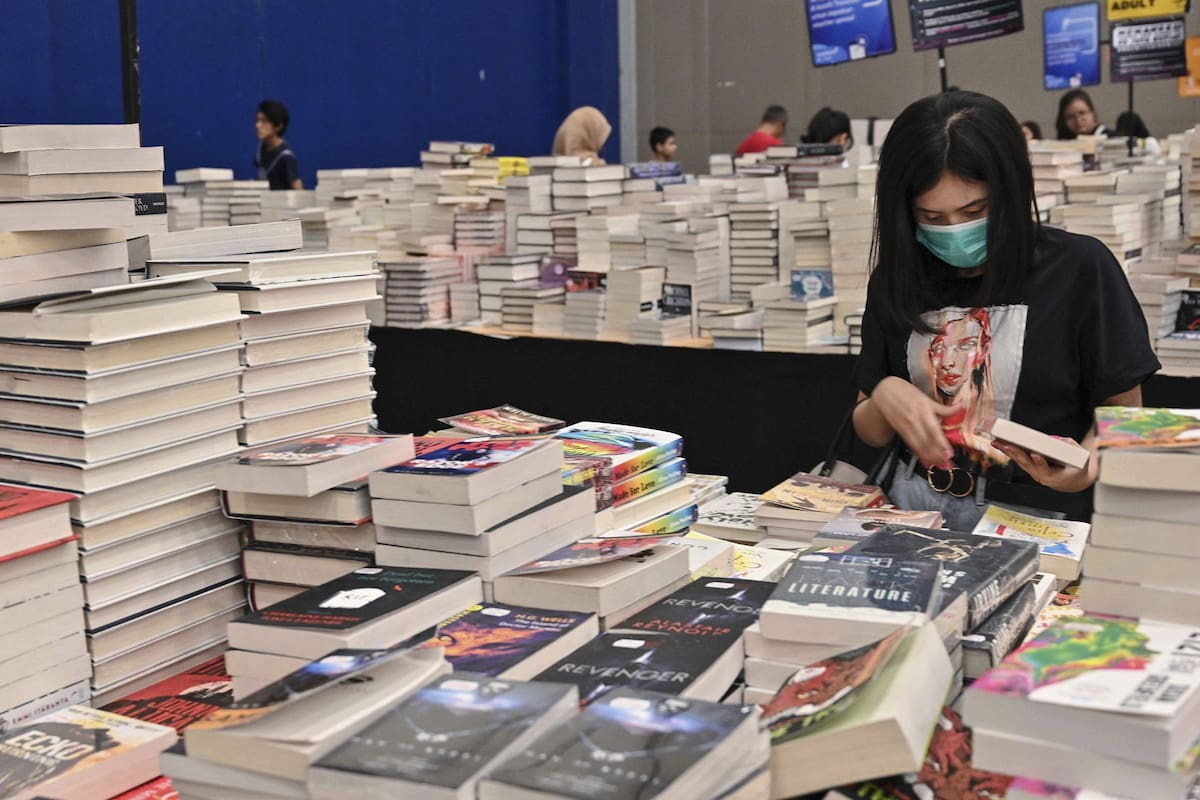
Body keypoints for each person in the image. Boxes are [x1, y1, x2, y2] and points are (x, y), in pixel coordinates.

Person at [852, 90, 1158, 530]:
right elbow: (870, 429)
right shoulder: (897, 275)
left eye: (974, 210)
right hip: (912, 508)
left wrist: (1085, 468)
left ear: (1011, 191)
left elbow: (1129, 414)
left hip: (1040, 517)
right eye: (931, 218)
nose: (954, 232)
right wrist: (884, 395)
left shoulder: (1079, 268)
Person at [254, 100, 302, 190]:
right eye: (257, 120)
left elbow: (297, 186)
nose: (258, 125)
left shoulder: (286, 157)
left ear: (278, 126)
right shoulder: (261, 149)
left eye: (264, 121)